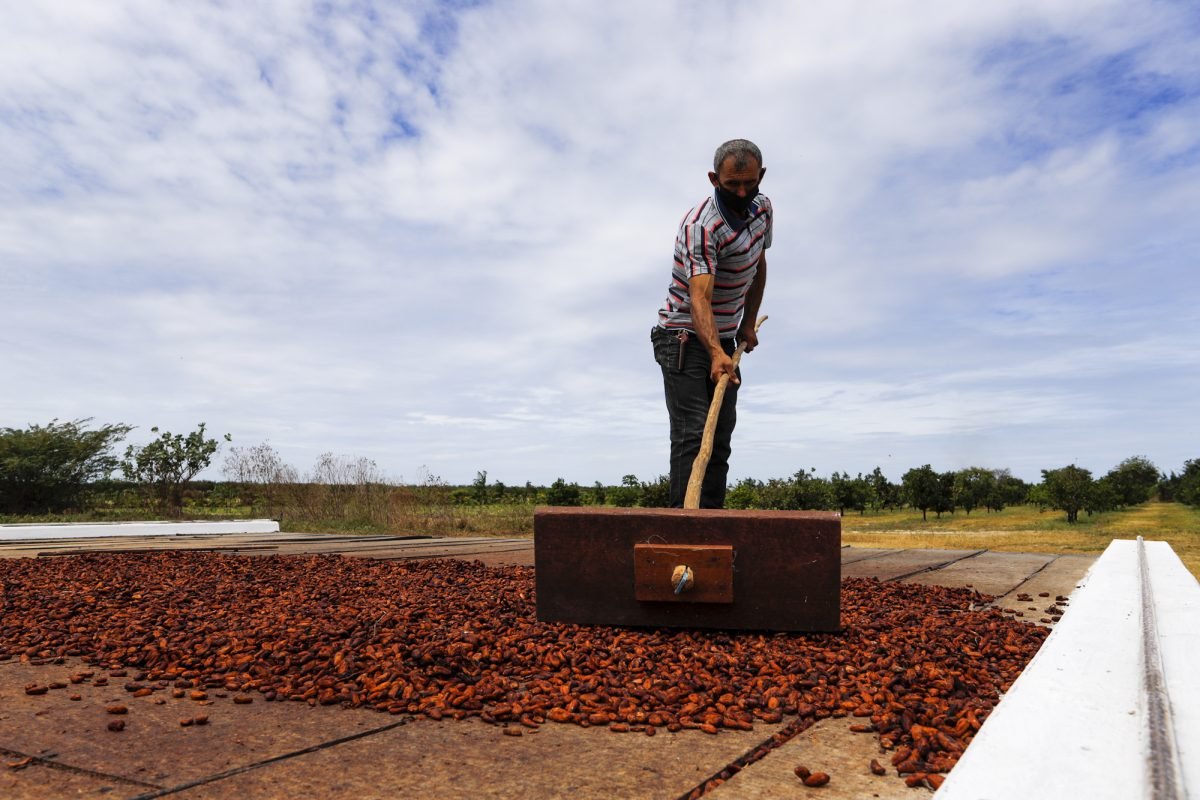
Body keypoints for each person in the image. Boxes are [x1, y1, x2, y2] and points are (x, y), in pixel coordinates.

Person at [651, 139, 771, 508]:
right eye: (731, 184)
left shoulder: (762, 209)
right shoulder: (702, 226)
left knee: (718, 438)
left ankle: (714, 527)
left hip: (725, 337)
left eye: (749, 183)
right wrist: (716, 351)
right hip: (683, 337)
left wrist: (747, 324)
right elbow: (699, 297)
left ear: (760, 177)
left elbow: (757, 264)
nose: (741, 192)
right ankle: (684, 534)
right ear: (713, 179)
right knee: (692, 435)